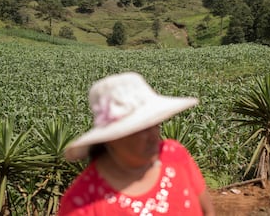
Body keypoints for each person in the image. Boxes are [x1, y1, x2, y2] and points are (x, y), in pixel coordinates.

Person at [58, 72, 215, 216]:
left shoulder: (173, 153)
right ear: (112, 137)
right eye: (141, 129)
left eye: (155, 123)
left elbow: (207, 211)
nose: (154, 135)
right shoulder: (81, 204)